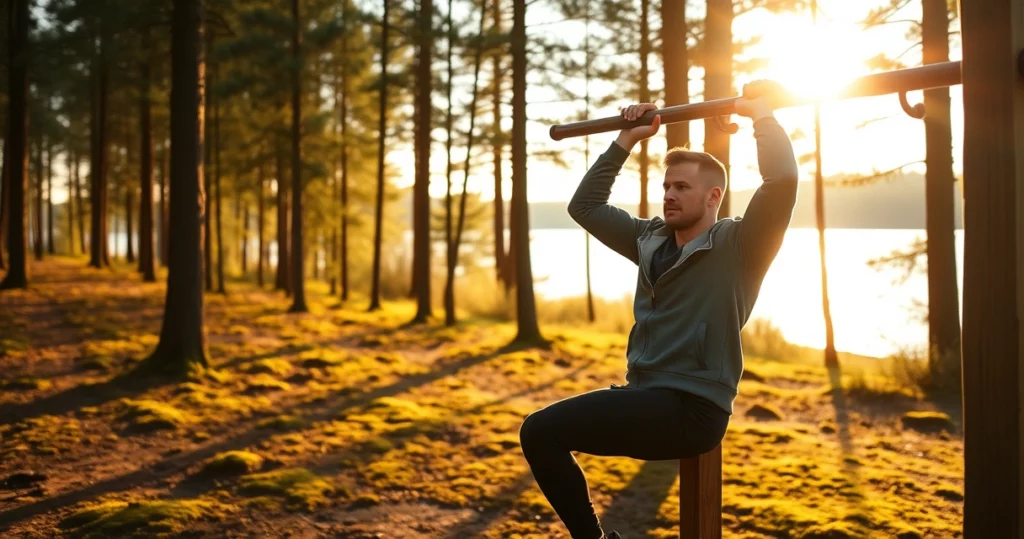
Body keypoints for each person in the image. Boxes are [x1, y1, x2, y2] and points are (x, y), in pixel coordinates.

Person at [518, 80, 799, 539]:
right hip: (646, 396)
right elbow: (584, 207)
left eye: (682, 187)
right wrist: (626, 140)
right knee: (540, 433)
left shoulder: (742, 245)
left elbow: (782, 181)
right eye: (667, 185)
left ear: (713, 198)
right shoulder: (648, 239)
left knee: (541, 431)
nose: (669, 194)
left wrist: (762, 118)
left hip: (694, 409)